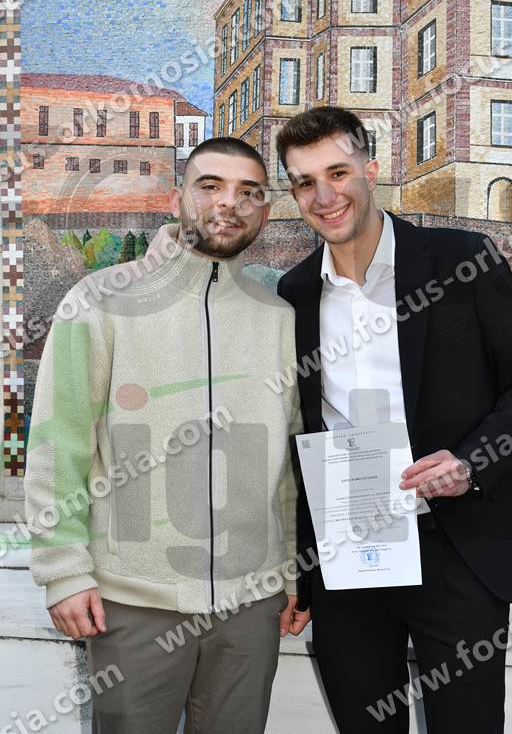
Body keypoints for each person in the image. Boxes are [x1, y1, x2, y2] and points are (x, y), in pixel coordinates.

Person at [24, 137, 309, 734]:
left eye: (249, 192)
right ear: (176, 197)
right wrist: (63, 571)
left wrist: (288, 572)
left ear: (264, 211)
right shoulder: (99, 301)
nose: (229, 203)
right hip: (132, 602)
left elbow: (286, 463)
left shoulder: (279, 317)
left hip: (251, 605)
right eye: (210, 186)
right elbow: (58, 445)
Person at [276, 106, 512, 733]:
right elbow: (297, 434)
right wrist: (302, 569)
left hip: (456, 552)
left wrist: (472, 463)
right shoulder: (293, 295)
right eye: (305, 182)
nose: (325, 197)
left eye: (338, 173)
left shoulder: (464, 261)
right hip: (346, 556)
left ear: (371, 170)